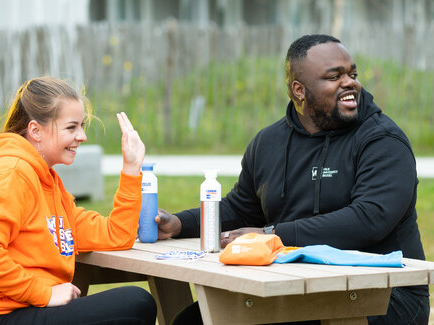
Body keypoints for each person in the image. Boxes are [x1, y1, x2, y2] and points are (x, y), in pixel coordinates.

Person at [156, 34, 430, 324]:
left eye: (352, 74)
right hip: (293, 285)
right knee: (194, 320)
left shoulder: (382, 141)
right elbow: (240, 209)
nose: (350, 83)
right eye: (334, 76)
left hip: (385, 293)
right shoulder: (268, 143)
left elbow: (369, 219)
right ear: (299, 90)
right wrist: (178, 224)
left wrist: (274, 234)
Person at [0, 76, 157, 324]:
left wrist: (132, 167)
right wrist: (42, 293)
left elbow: (117, 235)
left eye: (82, 126)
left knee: (136, 307)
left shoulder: (51, 185)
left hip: (29, 309)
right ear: (35, 131)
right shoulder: (11, 173)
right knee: (135, 303)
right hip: (1, 315)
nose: (82, 136)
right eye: (71, 127)